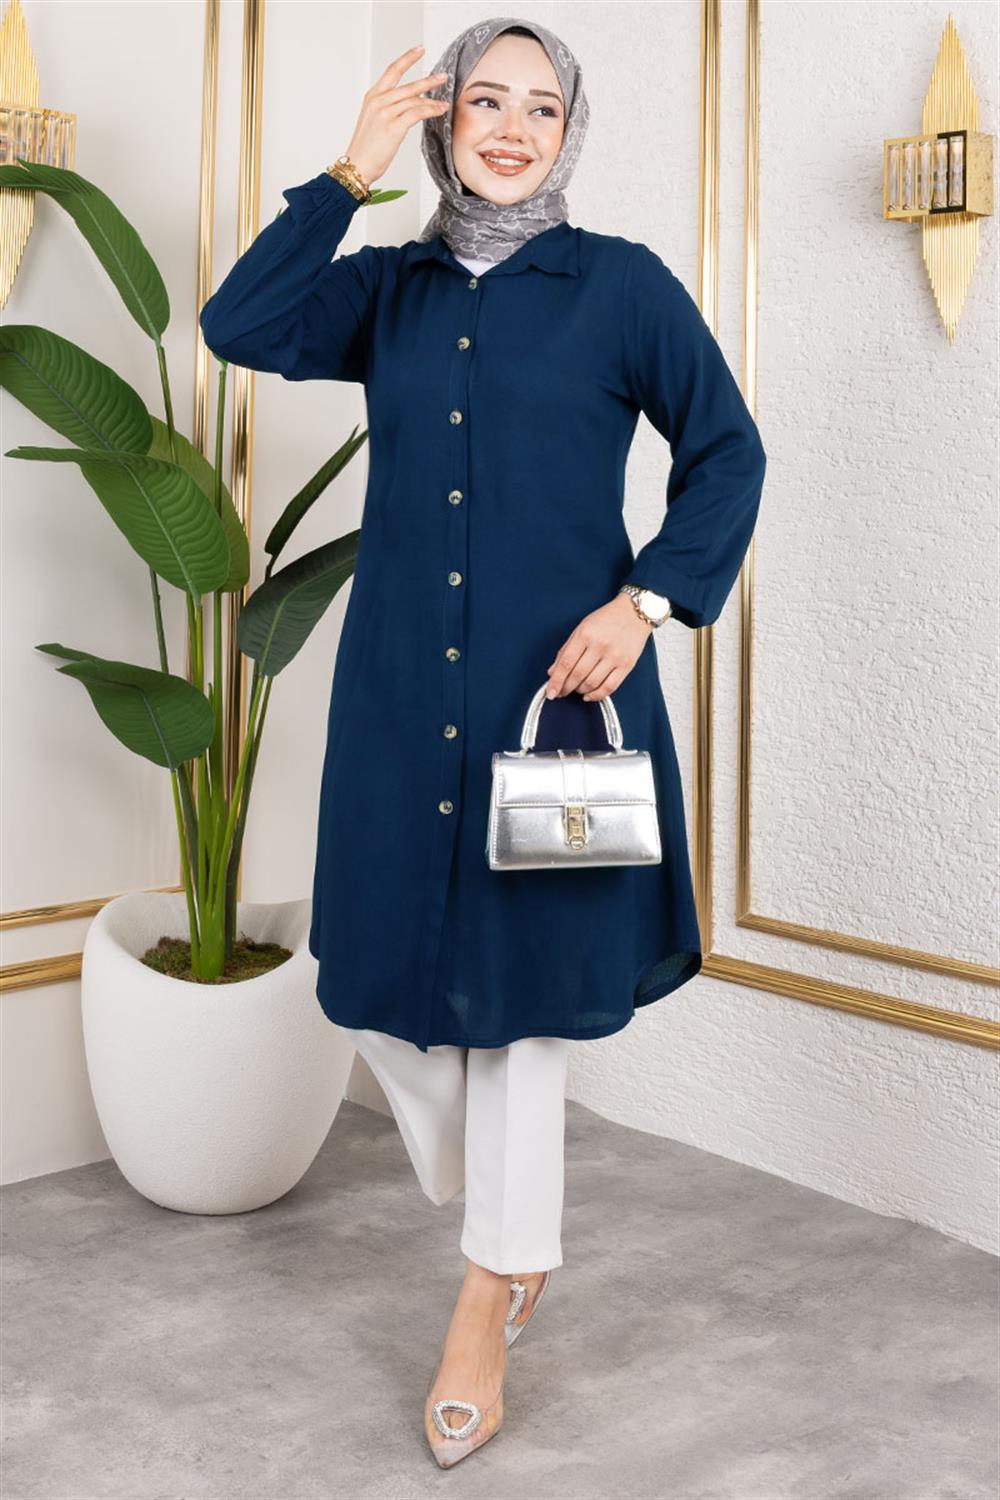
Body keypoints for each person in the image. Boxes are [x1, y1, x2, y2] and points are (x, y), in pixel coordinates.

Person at [199, 16, 767, 1469]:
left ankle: (491, 1287)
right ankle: (508, 1218)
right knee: (367, 975)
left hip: (560, 693)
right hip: (401, 694)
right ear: (446, 120)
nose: (512, 129)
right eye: (484, 102)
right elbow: (240, 326)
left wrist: (647, 602)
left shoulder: (621, 287)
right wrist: (351, 167)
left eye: (541, 107)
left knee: (522, 1009)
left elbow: (728, 449)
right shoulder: (383, 290)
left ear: (570, 129)